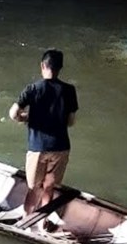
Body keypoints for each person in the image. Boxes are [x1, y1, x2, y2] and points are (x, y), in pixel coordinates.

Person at [9, 49, 78, 229]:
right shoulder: (69, 90)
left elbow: (13, 113)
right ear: (60, 68)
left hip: (38, 147)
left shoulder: (33, 89)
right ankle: (43, 222)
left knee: (35, 187)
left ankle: (26, 220)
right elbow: (71, 121)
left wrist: (25, 118)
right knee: (49, 186)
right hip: (61, 147)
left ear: (42, 66)